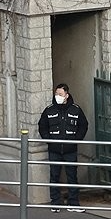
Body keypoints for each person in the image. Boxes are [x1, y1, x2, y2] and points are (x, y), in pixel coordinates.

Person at [38, 83, 88, 212]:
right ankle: (56, 203)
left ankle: (73, 203)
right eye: (56, 94)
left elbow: (83, 125)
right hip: (54, 150)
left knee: (72, 176)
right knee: (54, 176)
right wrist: (48, 140)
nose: (57, 96)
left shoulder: (76, 109)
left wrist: (77, 140)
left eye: (60, 94)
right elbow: (42, 126)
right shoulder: (49, 110)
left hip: (70, 150)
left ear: (66, 95)